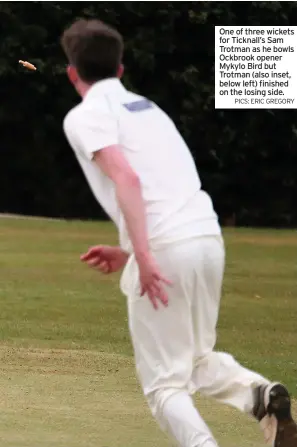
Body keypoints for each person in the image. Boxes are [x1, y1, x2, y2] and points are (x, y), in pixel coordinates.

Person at [61, 18, 297, 447]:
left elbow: (128, 181)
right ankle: (259, 395)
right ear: (120, 69)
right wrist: (131, 250)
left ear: (71, 72)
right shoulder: (148, 109)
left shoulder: (85, 115)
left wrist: (145, 256)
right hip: (206, 239)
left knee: (164, 386)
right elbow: (162, 185)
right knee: (195, 358)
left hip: (167, 249)